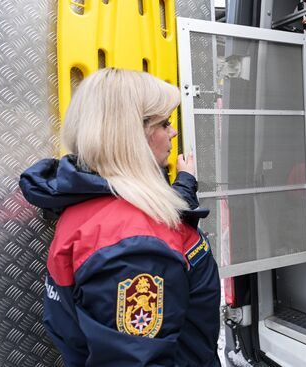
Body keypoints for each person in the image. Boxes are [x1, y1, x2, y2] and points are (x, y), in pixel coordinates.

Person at [19, 68, 221, 366]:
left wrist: (186, 182)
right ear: (132, 136)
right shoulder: (136, 247)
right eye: (164, 123)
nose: (173, 131)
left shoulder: (93, 200)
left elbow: (162, 222)